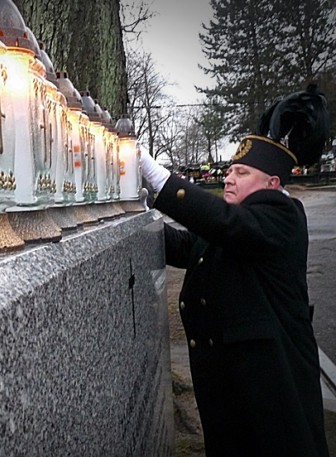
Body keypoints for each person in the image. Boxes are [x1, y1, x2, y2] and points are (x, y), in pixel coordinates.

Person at [140, 85, 331, 457]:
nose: (228, 178)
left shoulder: (284, 217)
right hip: (237, 387)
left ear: (272, 183)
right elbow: (186, 246)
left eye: (241, 172)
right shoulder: (239, 221)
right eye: (229, 170)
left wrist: (159, 178)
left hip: (271, 389)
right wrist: (138, 215)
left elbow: (225, 225)